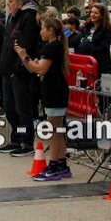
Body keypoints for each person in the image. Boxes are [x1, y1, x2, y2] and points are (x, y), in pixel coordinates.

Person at [17, 16, 72, 181]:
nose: (40, 32)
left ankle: (54, 165)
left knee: (54, 130)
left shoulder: (53, 47)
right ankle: (62, 163)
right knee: (58, 129)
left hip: (55, 91)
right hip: (52, 90)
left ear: (51, 31)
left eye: (42, 28)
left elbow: (41, 70)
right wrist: (27, 60)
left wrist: (24, 57)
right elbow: (34, 69)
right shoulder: (51, 47)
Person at [0, 0, 41, 155]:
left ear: (19, 3)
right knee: (9, 108)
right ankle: (16, 138)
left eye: (11, 2)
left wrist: (16, 70)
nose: (8, 5)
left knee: (21, 108)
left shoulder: (28, 18)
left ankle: (26, 142)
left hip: (18, 73)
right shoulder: (12, 18)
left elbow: (26, 46)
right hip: (6, 70)